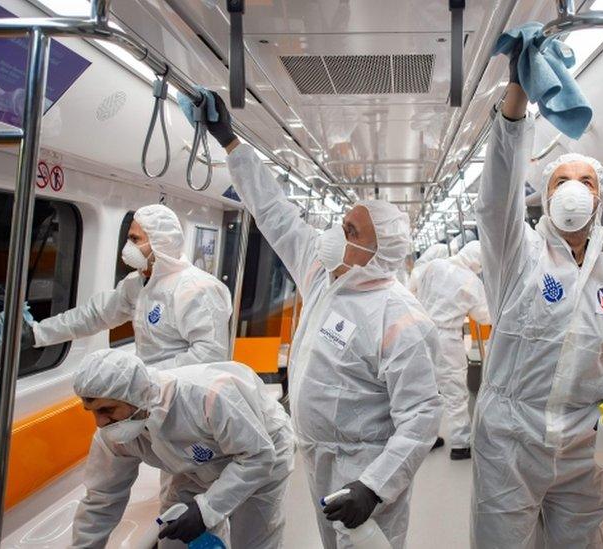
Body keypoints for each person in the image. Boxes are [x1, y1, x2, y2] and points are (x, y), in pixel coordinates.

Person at [188, 91, 442, 548]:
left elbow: (422, 416)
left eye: (349, 231)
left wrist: (374, 486)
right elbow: (275, 214)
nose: (333, 234)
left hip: (365, 465)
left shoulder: (401, 319)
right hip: (317, 455)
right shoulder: (326, 276)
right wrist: (231, 143)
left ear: (377, 250)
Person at [470, 54, 603, 548]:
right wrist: (515, 103)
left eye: (586, 182)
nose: (574, 191)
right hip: (511, 440)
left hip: (588, 445)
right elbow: (496, 198)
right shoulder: (517, 256)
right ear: (545, 199)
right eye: (560, 182)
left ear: (600, 197)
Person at [70, 349, 293, 548]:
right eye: (93, 412)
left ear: (135, 397)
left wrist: (206, 510)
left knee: (252, 538)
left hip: (262, 453)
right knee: (173, 539)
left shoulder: (207, 396)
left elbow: (258, 456)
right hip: (193, 468)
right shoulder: (115, 434)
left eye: (107, 409)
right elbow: (102, 499)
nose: (100, 422)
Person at [26, 205, 232, 369]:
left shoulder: (197, 289)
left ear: (161, 243)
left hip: (185, 395)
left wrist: (149, 375)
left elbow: (210, 355)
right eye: (128, 238)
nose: (128, 247)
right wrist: (38, 333)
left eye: (135, 239)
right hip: (150, 393)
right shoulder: (136, 283)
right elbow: (94, 316)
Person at [414, 240, 490, 460]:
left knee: (424, 390)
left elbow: (414, 286)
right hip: (446, 339)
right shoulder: (470, 280)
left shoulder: (433, 266)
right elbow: (484, 316)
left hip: (420, 333)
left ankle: (424, 437)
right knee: (454, 391)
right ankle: (461, 443)